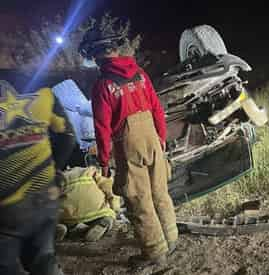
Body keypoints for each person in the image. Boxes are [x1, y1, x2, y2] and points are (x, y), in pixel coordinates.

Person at [79, 19, 178, 269]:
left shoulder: (103, 85)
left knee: (138, 198)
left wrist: (104, 162)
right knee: (160, 191)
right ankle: (170, 238)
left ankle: (154, 252)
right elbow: (157, 108)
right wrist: (161, 138)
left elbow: (102, 129)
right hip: (153, 138)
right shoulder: (140, 74)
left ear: (97, 54)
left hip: (129, 143)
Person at [0, 80, 75, 275]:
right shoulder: (42, 100)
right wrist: (55, 171)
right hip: (45, 197)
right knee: (43, 258)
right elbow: (68, 136)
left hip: (7, 206)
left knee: (6, 265)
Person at [55, 166, 122, 242]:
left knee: (58, 217)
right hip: (95, 209)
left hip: (67, 212)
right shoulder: (91, 172)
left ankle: (59, 227)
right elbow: (108, 186)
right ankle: (103, 221)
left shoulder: (57, 178)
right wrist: (115, 207)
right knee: (108, 214)